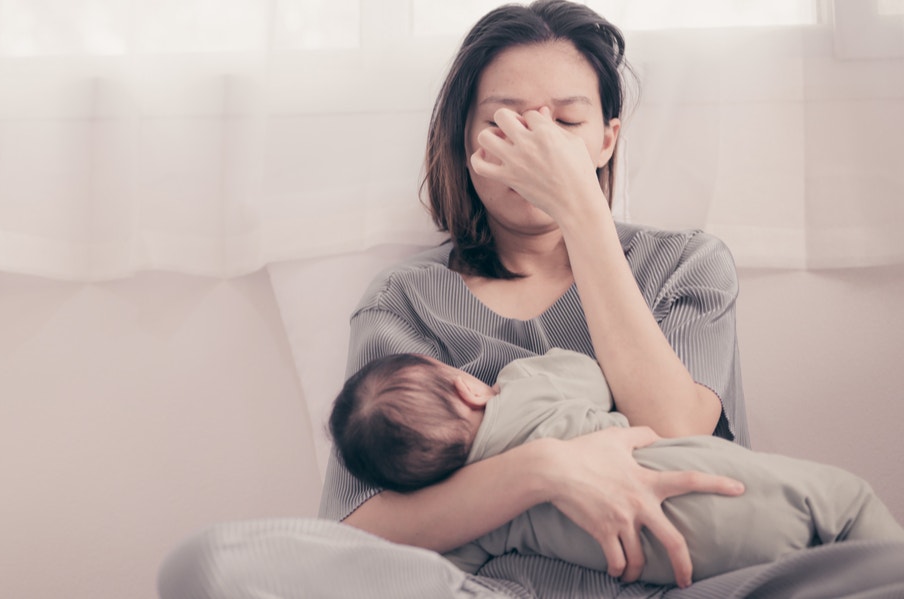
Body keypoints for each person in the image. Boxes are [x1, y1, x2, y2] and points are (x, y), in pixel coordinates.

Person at [158, 1, 904, 596]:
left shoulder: (686, 264)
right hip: (484, 589)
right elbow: (362, 528)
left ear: (608, 140)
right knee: (211, 563)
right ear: (467, 141)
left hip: (696, 578)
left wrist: (581, 211)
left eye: (565, 122)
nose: (537, 145)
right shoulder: (409, 300)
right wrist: (545, 471)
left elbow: (677, 423)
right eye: (507, 121)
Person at [329, 348, 904, 585]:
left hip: (703, 571)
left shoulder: (476, 521)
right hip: (744, 492)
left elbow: (433, 564)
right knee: (848, 501)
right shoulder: (526, 388)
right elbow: (587, 371)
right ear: (468, 386)